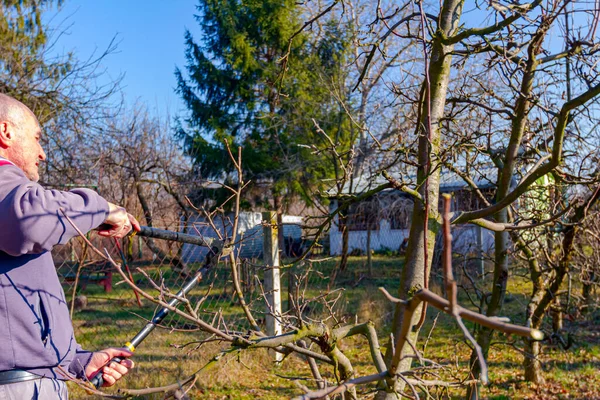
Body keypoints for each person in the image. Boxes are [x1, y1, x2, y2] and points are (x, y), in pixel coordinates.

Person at [0, 93, 139, 399]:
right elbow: (29, 218)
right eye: (37, 138)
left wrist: (78, 361)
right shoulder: (4, 185)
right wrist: (103, 209)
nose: (42, 153)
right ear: (5, 132)